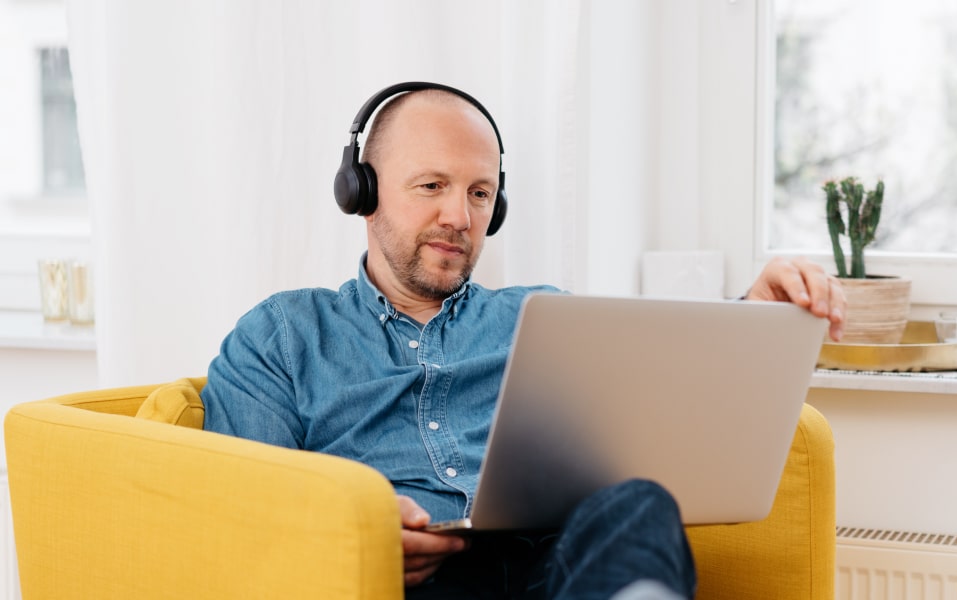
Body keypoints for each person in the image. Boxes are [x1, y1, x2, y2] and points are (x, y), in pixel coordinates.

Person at [201, 82, 846, 599]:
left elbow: (670, 401)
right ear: (363, 194)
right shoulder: (282, 336)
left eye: (480, 193)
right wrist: (349, 535)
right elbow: (238, 509)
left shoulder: (543, 321)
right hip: (399, 585)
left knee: (638, 503)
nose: (460, 216)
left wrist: (754, 314)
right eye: (432, 186)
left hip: (558, 573)